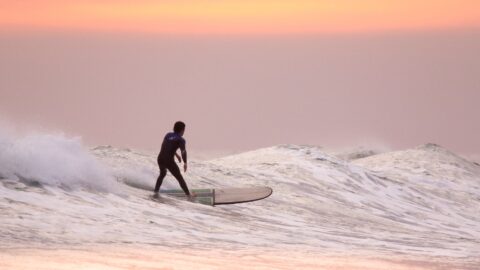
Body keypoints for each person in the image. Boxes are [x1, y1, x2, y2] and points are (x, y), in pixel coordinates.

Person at [154, 121, 195, 197]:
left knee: (162, 173)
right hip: (169, 161)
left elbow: (166, 146)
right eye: (184, 130)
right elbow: (183, 151)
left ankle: (155, 191)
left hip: (160, 158)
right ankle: (188, 195)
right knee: (179, 177)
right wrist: (185, 162)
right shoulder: (181, 139)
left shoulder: (168, 135)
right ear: (182, 130)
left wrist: (176, 155)